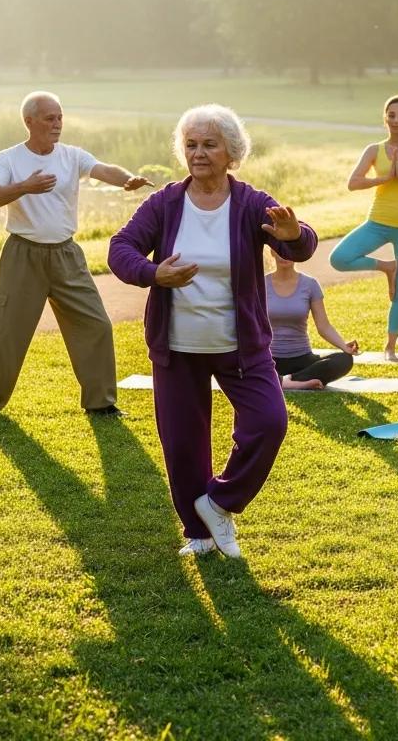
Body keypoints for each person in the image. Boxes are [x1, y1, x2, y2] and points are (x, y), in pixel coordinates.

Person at [108, 104, 317, 559]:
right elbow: (120, 247)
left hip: (241, 346)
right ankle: (199, 534)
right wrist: (152, 273)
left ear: (231, 152)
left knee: (268, 422)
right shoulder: (164, 203)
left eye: (209, 144)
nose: (198, 153)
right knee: (184, 445)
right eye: (191, 144)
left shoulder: (249, 203)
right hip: (177, 346)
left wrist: (294, 233)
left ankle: (219, 501)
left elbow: (299, 242)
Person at [0, 91, 152, 417]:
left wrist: (127, 180)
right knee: (7, 330)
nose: (57, 124)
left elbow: (103, 169)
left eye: (60, 117)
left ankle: (101, 403)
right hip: (23, 255)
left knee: (96, 324)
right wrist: (24, 187)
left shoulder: (71, 155)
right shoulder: (9, 158)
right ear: (29, 122)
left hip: (67, 255)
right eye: (49, 118)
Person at [330, 96, 398, 361]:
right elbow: (353, 182)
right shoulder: (374, 150)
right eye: (391, 115)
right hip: (377, 222)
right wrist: (384, 178)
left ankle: (390, 347)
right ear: (385, 118)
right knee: (339, 258)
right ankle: (386, 267)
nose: (396, 120)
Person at [266, 253, 358, 390]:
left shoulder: (310, 284)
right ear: (272, 252)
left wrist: (344, 347)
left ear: (297, 251)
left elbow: (324, 326)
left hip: (303, 359)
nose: (285, 255)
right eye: (280, 250)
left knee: (344, 360)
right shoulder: (260, 284)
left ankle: (288, 380)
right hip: (269, 359)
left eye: (289, 249)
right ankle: (289, 381)